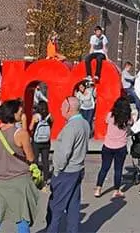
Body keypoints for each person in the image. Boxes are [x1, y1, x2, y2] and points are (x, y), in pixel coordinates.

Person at [0, 99, 40, 233]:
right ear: (13, 114)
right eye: (20, 112)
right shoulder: (21, 134)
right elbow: (31, 157)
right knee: (22, 218)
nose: (22, 114)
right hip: (19, 180)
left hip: (0, 181)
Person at [45, 96, 90, 233]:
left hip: (66, 171)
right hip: (78, 168)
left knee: (55, 209)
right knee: (73, 207)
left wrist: (57, 170)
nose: (60, 109)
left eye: (62, 106)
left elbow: (64, 152)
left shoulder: (71, 127)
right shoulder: (84, 123)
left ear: (69, 108)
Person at [95, 97, 131, 199]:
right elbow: (131, 124)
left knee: (104, 168)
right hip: (120, 146)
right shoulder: (127, 119)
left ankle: (98, 188)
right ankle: (116, 190)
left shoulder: (110, 115)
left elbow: (106, 121)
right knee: (118, 169)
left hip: (108, 145)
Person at [29, 101, 53, 182]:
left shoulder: (36, 116)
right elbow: (51, 126)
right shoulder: (50, 116)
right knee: (45, 160)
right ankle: (46, 178)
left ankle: (36, 176)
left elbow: (31, 128)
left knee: (35, 159)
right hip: (46, 141)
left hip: (36, 141)